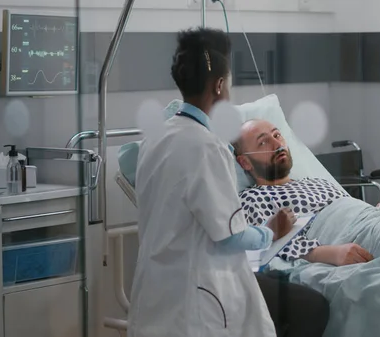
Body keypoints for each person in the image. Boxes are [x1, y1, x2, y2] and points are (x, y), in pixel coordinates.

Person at [128, 28, 328, 337]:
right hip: (196, 298)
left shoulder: (155, 138)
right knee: (305, 308)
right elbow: (230, 237)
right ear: (220, 85)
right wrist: (271, 231)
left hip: (155, 290)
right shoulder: (208, 146)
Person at [233, 119, 380, 265]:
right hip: (350, 240)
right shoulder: (252, 198)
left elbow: (354, 215)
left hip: (375, 225)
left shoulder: (317, 182)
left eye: (277, 135)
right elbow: (266, 246)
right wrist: (329, 253)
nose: (277, 145)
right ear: (245, 162)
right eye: (263, 143)